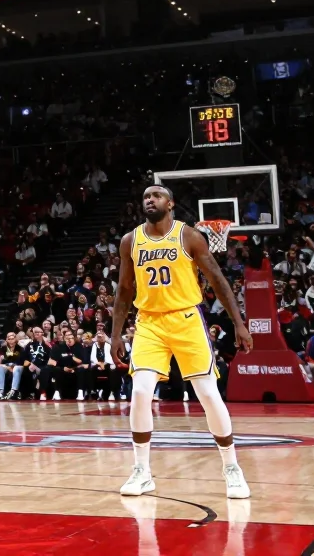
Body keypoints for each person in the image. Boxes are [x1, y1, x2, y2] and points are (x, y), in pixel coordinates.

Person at [112, 185, 253, 500]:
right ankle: (141, 471)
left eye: (156, 195)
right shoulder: (130, 240)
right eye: (145, 196)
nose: (150, 199)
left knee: (207, 393)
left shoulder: (189, 236)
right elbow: (123, 289)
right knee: (140, 391)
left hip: (186, 319)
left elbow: (217, 279)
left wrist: (239, 323)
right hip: (148, 322)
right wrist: (116, 332)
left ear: (170, 204)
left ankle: (232, 468)